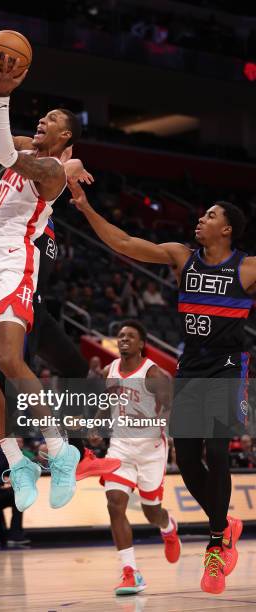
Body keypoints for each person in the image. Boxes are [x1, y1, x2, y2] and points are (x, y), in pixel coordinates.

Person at [68, 180, 250, 595]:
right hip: (191, 368)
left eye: (210, 215)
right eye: (202, 214)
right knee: (186, 460)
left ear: (227, 230)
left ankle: (216, 543)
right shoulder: (181, 257)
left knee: (218, 450)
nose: (200, 219)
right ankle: (226, 525)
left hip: (226, 368)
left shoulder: (246, 267)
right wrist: (86, 208)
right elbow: (126, 242)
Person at [0, 50, 94, 527]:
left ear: (65, 137)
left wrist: (6, 94)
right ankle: (18, 459)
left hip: (15, 262)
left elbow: (5, 153)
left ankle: (59, 449)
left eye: (52, 119)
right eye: (42, 116)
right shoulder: (28, 147)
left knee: (10, 359)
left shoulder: (53, 173)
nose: (43, 120)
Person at [0, 168, 120, 538]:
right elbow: (36, 156)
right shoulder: (16, 212)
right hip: (13, 299)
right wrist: (64, 160)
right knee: (6, 380)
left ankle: (80, 452)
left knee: (74, 366)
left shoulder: (47, 217)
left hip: (37, 305)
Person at [96, 321, 180, 595]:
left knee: (151, 513)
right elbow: (106, 402)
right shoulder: (110, 371)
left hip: (150, 452)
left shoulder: (154, 374)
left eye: (131, 336)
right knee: (114, 503)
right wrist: (95, 426)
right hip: (120, 448)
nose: (124, 339)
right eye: (120, 336)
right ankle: (130, 572)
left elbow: (171, 411)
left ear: (142, 344)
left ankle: (168, 527)